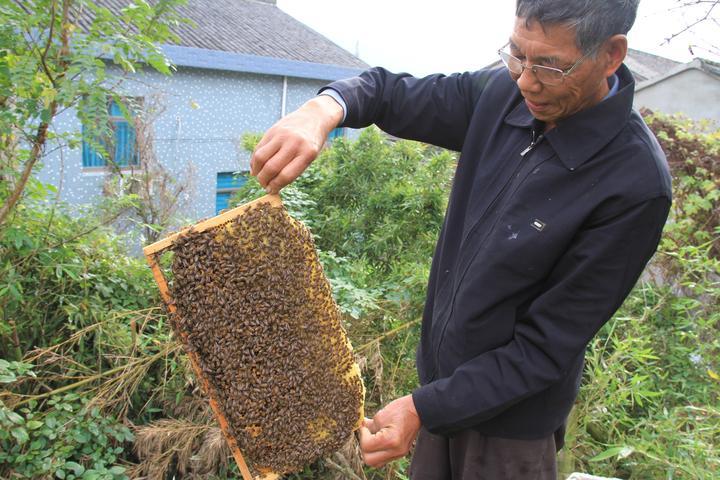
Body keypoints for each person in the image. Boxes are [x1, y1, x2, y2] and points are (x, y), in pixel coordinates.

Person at [250, 0, 672, 478]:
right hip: (438, 406)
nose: (526, 80)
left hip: (510, 436)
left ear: (611, 54)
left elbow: (544, 349)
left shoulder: (634, 184)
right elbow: (388, 92)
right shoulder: (502, 95)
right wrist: (321, 109)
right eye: (517, 54)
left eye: (550, 66)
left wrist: (424, 409)